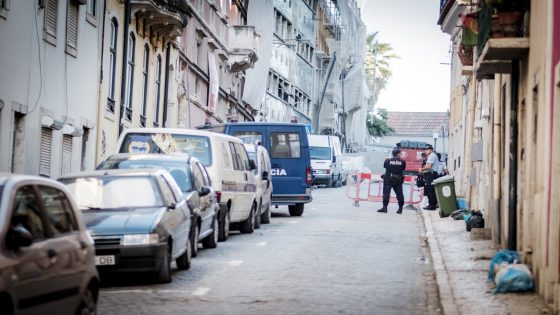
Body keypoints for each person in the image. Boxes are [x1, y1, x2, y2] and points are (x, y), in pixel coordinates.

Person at [377, 148, 407, 214]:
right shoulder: (403, 162)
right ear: (398, 154)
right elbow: (403, 169)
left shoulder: (387, 161)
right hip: (398, 179)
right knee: (399, 194)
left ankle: (385, 207)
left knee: (386, 193)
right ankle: (400, 209)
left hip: (388, 179)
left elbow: (385, 166)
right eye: (400, 154)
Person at [418, 144, 439, 210]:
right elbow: (429, 168)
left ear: (431, 150)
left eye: (427, 149)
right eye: (425, 149)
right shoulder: (432, 155)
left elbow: (429, 167)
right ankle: (433, 204)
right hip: (431, 174)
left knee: (430, 190)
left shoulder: (431, 156)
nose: (426, 151)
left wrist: (421, 169)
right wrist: (424, 172)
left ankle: (431, 205)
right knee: (431, 190)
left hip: (431, 175)